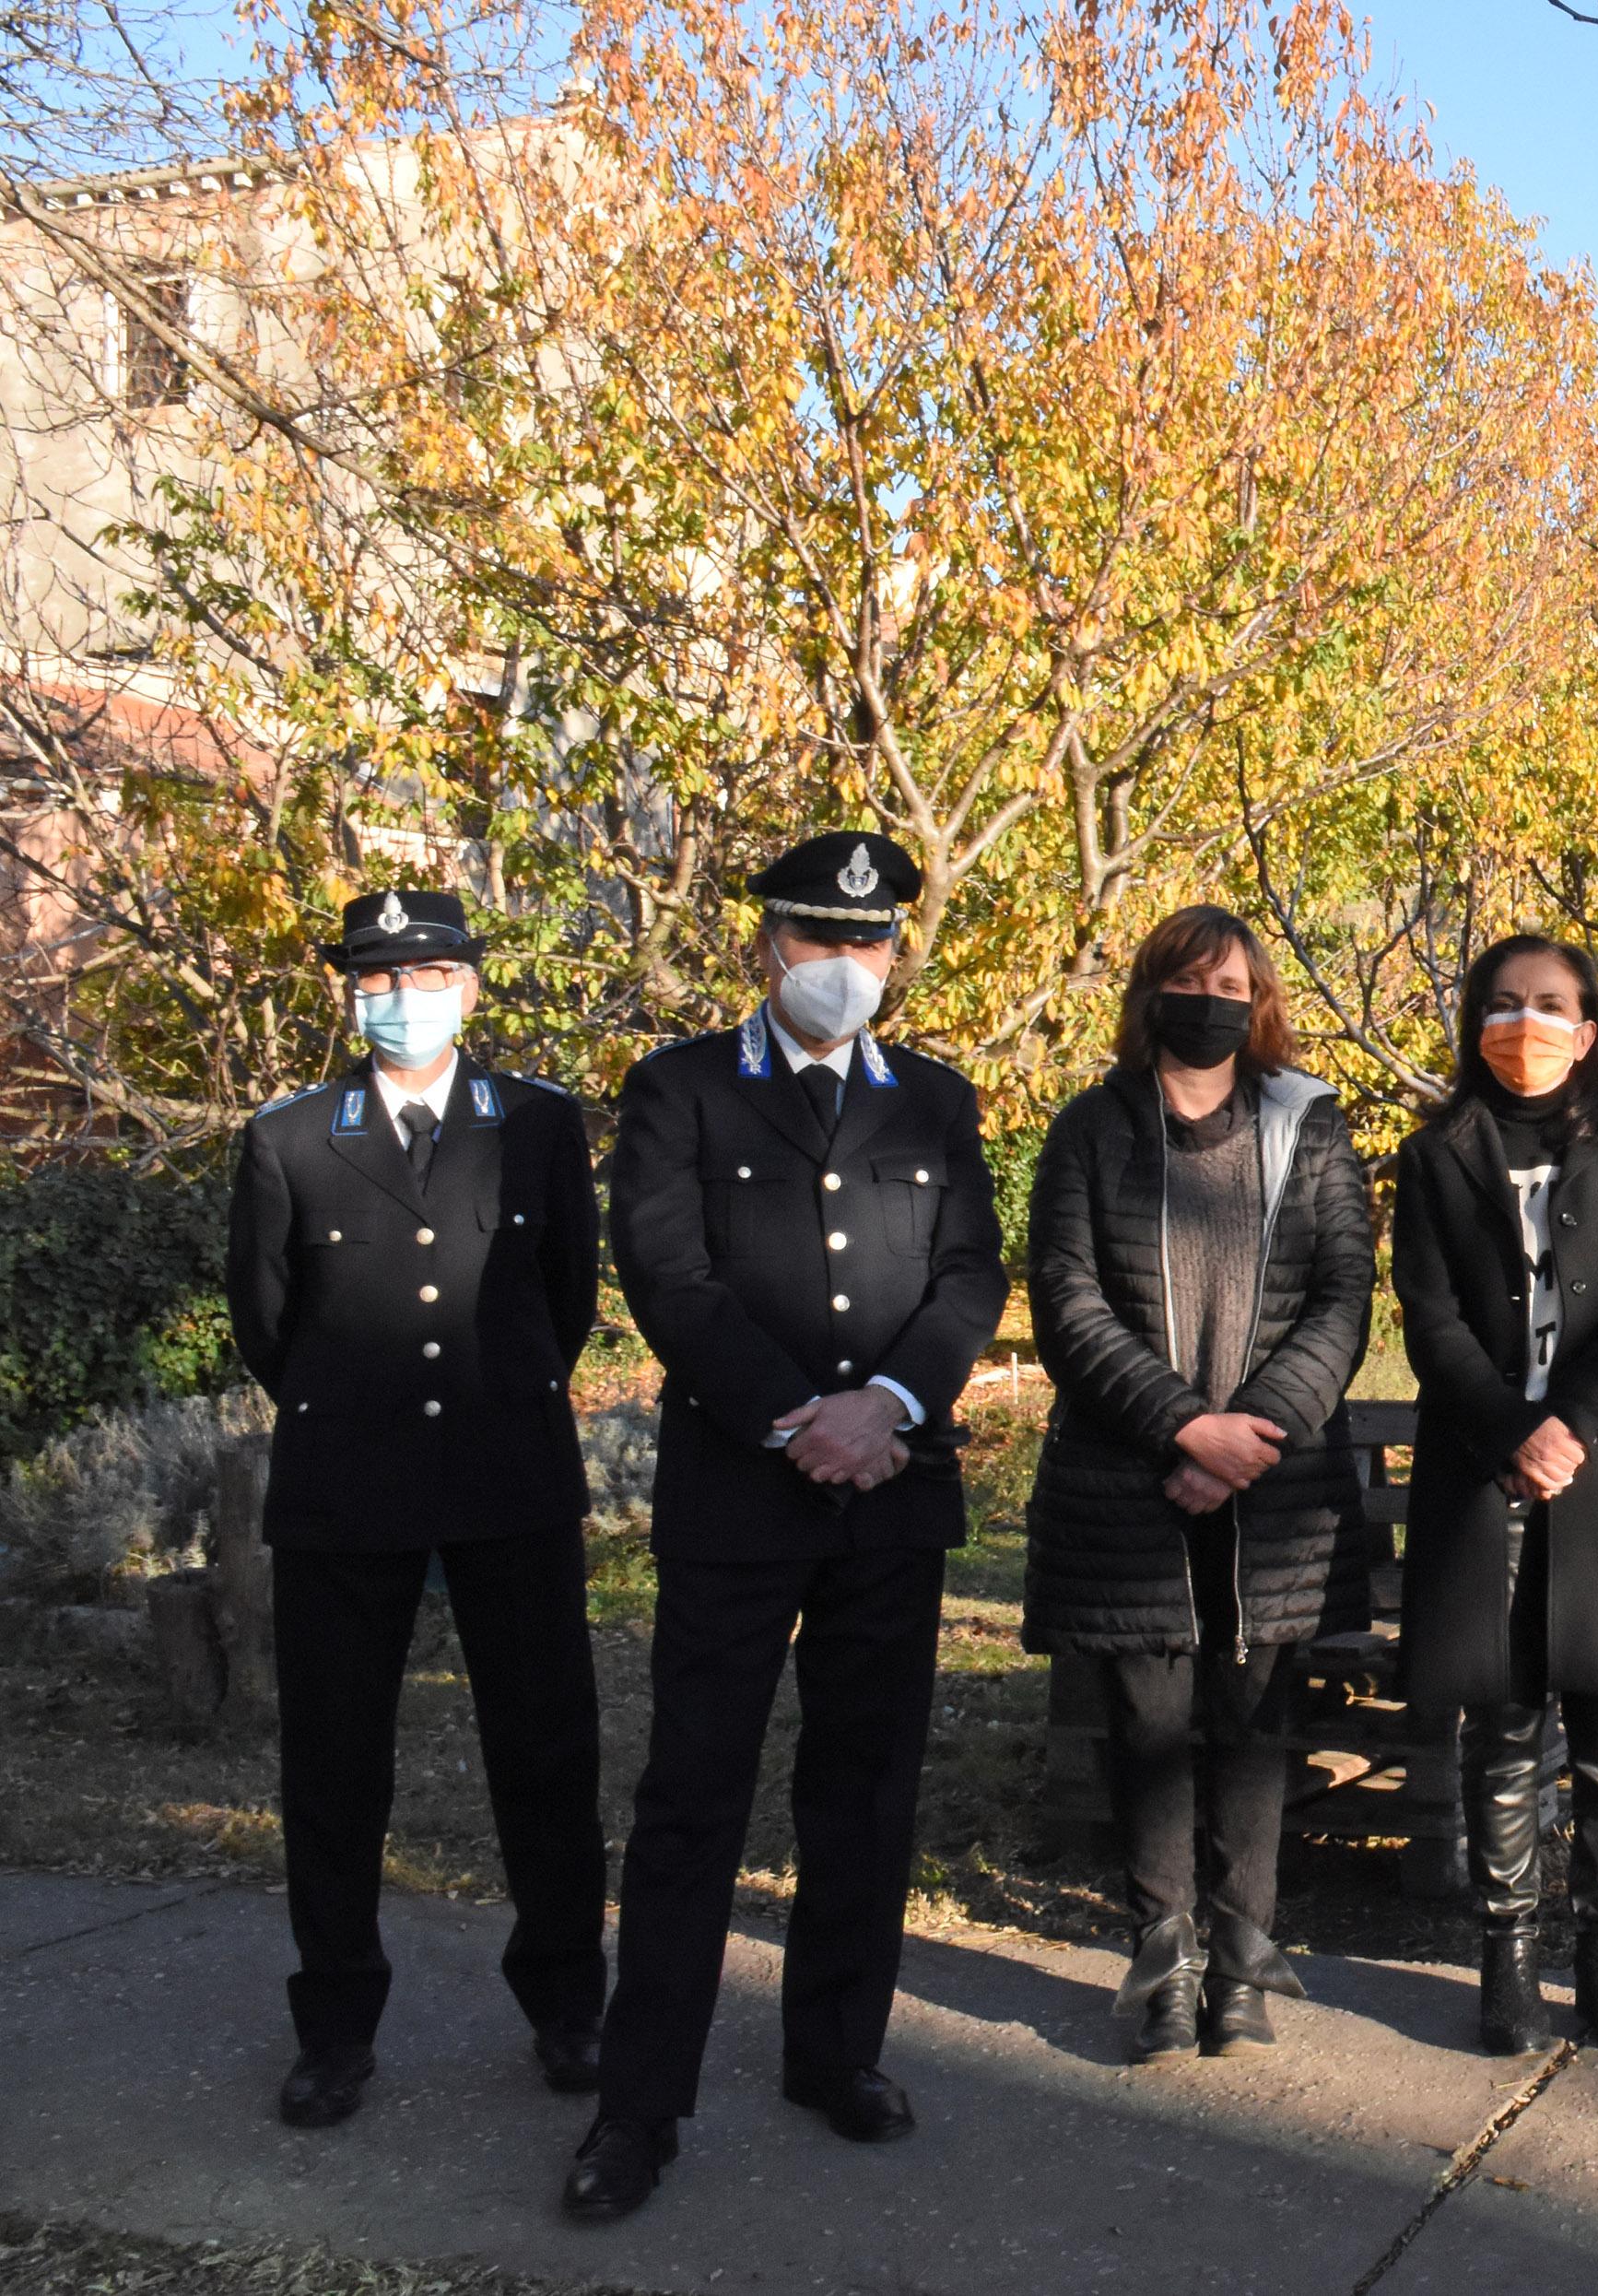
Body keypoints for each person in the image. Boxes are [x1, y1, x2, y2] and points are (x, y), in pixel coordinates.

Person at [565, 830, 1007, 2222]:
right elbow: (668, 1273)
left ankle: (835, 2053)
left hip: (890, 1496)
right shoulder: (683, 1086)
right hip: (740, 1496)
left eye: (866, 944)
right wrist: (797, 1417)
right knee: (692, 1801)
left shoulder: (936, 1101)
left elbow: (968, 1271)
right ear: (767, 945)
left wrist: (883, 1403)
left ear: (894, 955)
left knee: (865, 1793)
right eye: (816, 939)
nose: (841, 965)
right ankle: (639, 2106)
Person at [223, 888, 607, 2130]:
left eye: (430, 970)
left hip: (509, 1474)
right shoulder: (288, 1138)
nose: (403, 994)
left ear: (472, 985)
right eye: (378, 975)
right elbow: (267, 1323)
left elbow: (565, 1299)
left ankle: (567, 2005)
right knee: (335, 1767)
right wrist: (364, 1403)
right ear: (351, 991)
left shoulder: (540, 1126)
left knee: (546, 1753)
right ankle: (334, 2027)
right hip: (347, 1484)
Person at [1022, 908, 1374, 2064]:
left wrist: (1252, 1435)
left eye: (1231, 980)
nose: (1211, 997)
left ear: (1259, 997)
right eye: (1187, 977)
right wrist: (1184, 1428)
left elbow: (1343, 1295)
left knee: (1255, 1724)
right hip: (1134, 1480)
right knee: (1151, 1724)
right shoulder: (1091, 1128)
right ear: (1151, 991)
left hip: (1271, 1487)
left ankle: (1244, 1959)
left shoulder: (1308, 1129)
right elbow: (1068, 1299)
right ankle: (1161, 1958)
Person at [1394, 933, 1598, 2058]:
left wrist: (1571, 1423)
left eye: (1551, 1004)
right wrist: (1510, 1427)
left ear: (1589, 1028)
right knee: (1504, 1722)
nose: (1526, 1024)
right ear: (1476, 1021)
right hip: (1482, 1463)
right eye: (1504, 1003)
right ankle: (1506, 1954)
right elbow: (1429, 1318)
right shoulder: (1434, 1155)